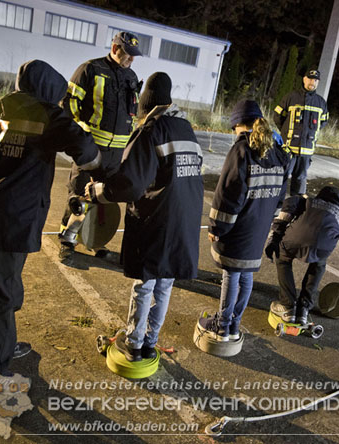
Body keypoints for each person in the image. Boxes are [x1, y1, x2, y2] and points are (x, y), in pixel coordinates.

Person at [0, 60, 102, 376]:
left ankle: (0, 345)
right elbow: (84, 147)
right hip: (14, 220)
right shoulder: (47, 116)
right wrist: (97, 165)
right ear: (46, 92)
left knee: (0, 285)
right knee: (5, 293)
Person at [85, 73, 204, 361]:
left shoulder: (152, 130)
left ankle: (134, 343)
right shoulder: (186, 129)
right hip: (185, 220)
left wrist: (99, 192)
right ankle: (150, 341)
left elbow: (132, 184)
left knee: (145, 284)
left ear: (145, 102)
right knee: (165, 284)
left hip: (157, 220)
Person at [199, 100, 289, 342]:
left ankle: (222, 326)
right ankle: (234, 324)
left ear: (238, 124)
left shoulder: (241, 151)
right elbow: (280, 195)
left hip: (239, 226)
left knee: (231, 274)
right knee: (246, 274)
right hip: (259, 227)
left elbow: (228, 193)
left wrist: (217, 227)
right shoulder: (277, 152)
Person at [59, 31, 142, 258]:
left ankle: (96, 240)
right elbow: (69, 104)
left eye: (134, 56)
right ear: (115, 49)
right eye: (128, 54)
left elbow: (132, 113)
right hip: (91, 149)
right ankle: (68, 238)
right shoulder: (90, 69)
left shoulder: (131, 77)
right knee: (79, 193)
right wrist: (81, 135)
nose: (131, 59)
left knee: (105, 197)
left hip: (117, 154)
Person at [266, 186, 339, 325]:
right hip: (321, 249)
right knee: (318, 265)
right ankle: (304, 308)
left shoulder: (307, 201)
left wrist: (275, 238)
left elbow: (287, 208)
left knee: (283, 260)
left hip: (294, 240)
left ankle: (288, 306)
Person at [274, 69, 329, 196]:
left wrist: (310, 134)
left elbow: (323, 122)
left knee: (300, 180)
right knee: (282, 177)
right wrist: (285, 131)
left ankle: (294, 208)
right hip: (289, 149)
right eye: (310, 79)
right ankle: (275, 205)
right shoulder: (291, 97)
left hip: (306, 151)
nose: (312, 82)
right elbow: (277, 116)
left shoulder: (321, 103)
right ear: (304, 79)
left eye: (315, 80)